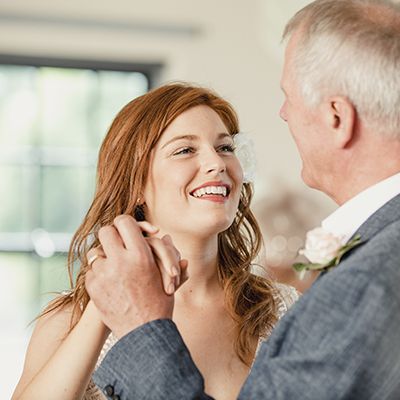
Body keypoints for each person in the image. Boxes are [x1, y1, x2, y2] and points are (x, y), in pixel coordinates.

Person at [86, 0, 400, 399]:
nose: (284, 114)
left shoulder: (357, 286)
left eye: (289, 96)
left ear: (337, 118)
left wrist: (141, 329)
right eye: (184, 150)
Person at [12, 83, 298, 400]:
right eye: (185, 150)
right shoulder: (67, 321)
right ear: (135, 183)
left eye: (225, 148)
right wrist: (102, 305)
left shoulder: (282, 310)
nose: (217, 163)